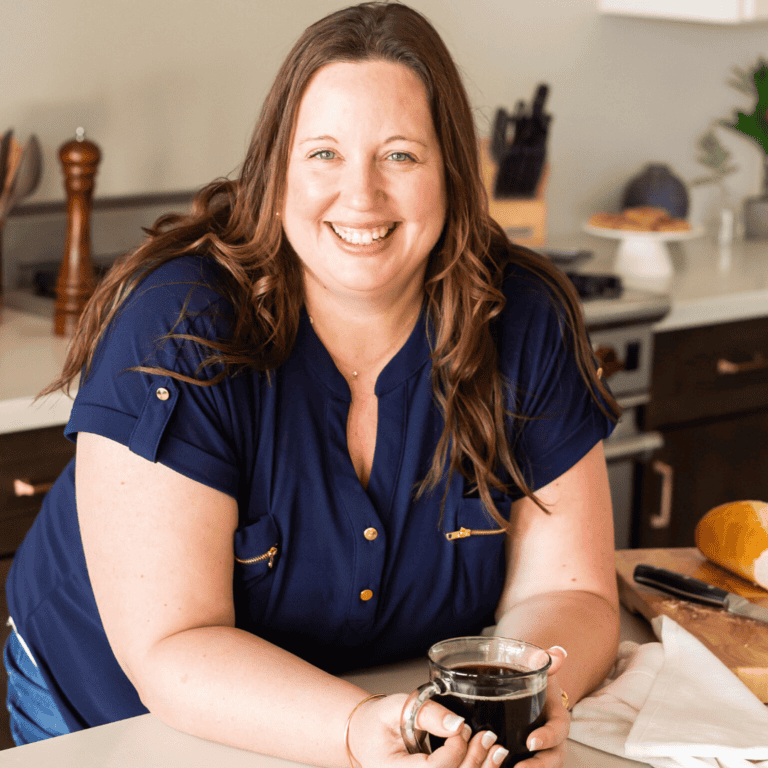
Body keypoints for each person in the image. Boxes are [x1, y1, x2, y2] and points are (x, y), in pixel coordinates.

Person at [4, 2, 621, 766]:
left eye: (399, 155)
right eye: (323, 153)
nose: (360, 197)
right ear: (276, 170)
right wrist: (363, 729)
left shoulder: (523, 318)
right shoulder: (180, 325)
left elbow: (575, 592)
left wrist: (520, 701)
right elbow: (173, 644)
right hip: (119, 709)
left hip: (375, 712)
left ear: (451, 172)